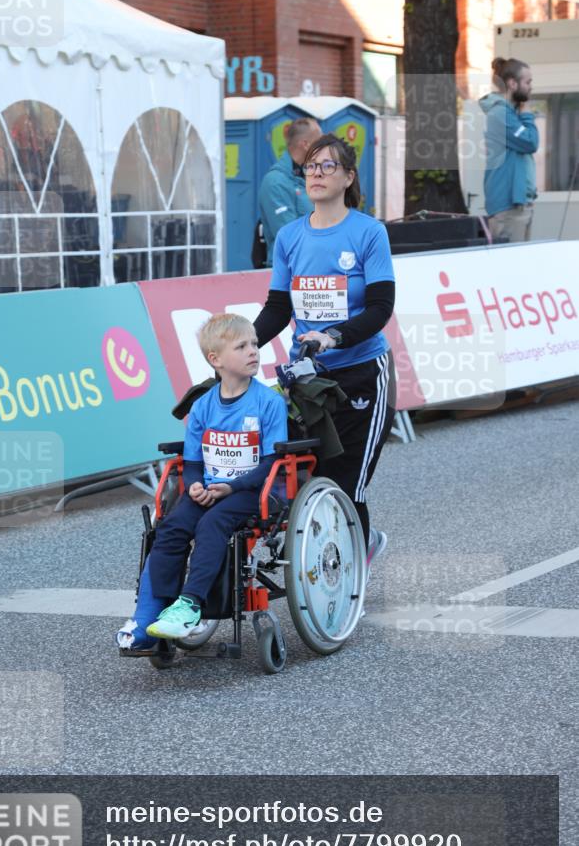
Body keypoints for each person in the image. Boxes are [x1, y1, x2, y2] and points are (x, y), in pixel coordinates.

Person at [253, 134, 396, 570]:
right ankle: (335, 555)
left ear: (348, 177)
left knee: (346, 483)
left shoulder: (368, 232)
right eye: (311, 166)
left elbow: (380, 308)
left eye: (327, 166)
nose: (316, 173)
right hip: (308, 381)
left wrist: (333, 337)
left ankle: (353, 567)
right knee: (304, 478)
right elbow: (278, 309)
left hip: (362, 373)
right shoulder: (291, 238)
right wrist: (241, 345)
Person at [116, 313, 288, 649]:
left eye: (254, 343)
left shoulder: (269, 402)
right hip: (211, 488)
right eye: (242, 346)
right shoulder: (203, 406)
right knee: (172, 526)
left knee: (212, 524)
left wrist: (232, 487)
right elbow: (192, 462)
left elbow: (270, 463)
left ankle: (190, 605)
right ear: (216, 359)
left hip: (252, 490)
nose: (254, 350)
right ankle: (149, 612)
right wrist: (194, 484)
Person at [479, 56, 539, 243]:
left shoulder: (511, 113)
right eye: (527, 82)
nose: (531, 86)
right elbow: (531, 142)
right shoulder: (501, 114)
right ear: (512, 84)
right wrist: (528, 114)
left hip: (519, 205)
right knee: (513, 269)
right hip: (508, 208)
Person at [258, 117, 322, 264]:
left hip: (311, 266)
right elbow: (290, 236)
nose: (323, 148)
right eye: (319, 142)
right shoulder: (275, 182)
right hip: (288, 271)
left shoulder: (309, 176)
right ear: (305, 144)